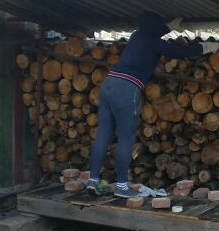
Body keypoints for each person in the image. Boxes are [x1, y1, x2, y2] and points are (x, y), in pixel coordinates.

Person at [84, 13, 211, 198]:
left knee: (103, 133)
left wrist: (170, 27)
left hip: (109, 84)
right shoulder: (155, 42)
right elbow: (180, 52)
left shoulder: (137, 35)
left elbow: (155, 32)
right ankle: (121, 186)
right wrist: (204, 47)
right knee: (126, 137)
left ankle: (93, 181)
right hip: (127, 88)